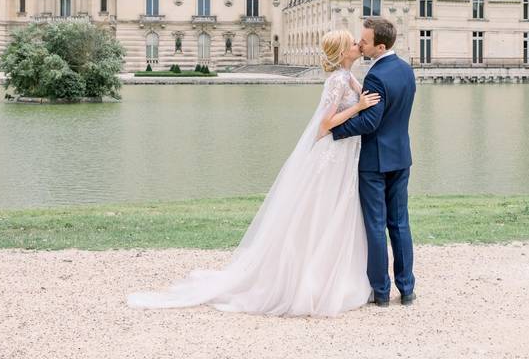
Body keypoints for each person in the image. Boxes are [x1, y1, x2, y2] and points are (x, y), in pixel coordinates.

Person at [128, 29, 379, 316]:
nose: (358, 46)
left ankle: (331, 274)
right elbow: (324, 125)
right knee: (323, 213)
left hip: (344, 154)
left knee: (336, 212)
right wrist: (358, 107)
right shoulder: (336, 80)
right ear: (342, 51)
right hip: (332, 155)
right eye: (352, 43)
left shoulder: (347, 76)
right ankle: (312, 279)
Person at [330, 16, 416, 307]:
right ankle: (406, 289)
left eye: (364, 41)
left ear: (380, 46)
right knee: (400, 224)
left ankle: (380, 291)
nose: (360, 44)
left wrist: (335, 130)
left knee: (376, 225)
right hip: (401, 156)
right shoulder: (406, 70)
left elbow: (370, 121)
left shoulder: (376, 76)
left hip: (375, 161)